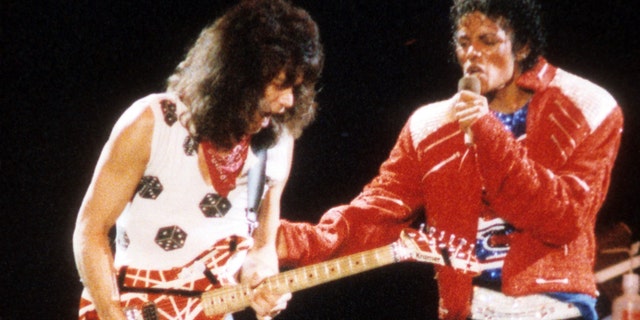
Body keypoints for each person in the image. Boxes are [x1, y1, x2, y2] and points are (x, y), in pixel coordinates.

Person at [276, 0, 623, 319]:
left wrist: (486, 130)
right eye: (463, 42)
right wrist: (281, 241)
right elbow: (372, 216)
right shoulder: (430, 125)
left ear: (523, 45)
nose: (472, 54)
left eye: (487, 40)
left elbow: (562, 219)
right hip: (468, 308)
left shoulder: (586, 104)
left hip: (557, 307)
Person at [72, 0, 323, 319]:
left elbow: (262, 248)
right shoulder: (152, 123)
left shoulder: (276, 144)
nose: (288, 101)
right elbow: (90, 230)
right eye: (279, 85)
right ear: (237, 79)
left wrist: (263, 282)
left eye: (296, 88)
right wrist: (110, 313)